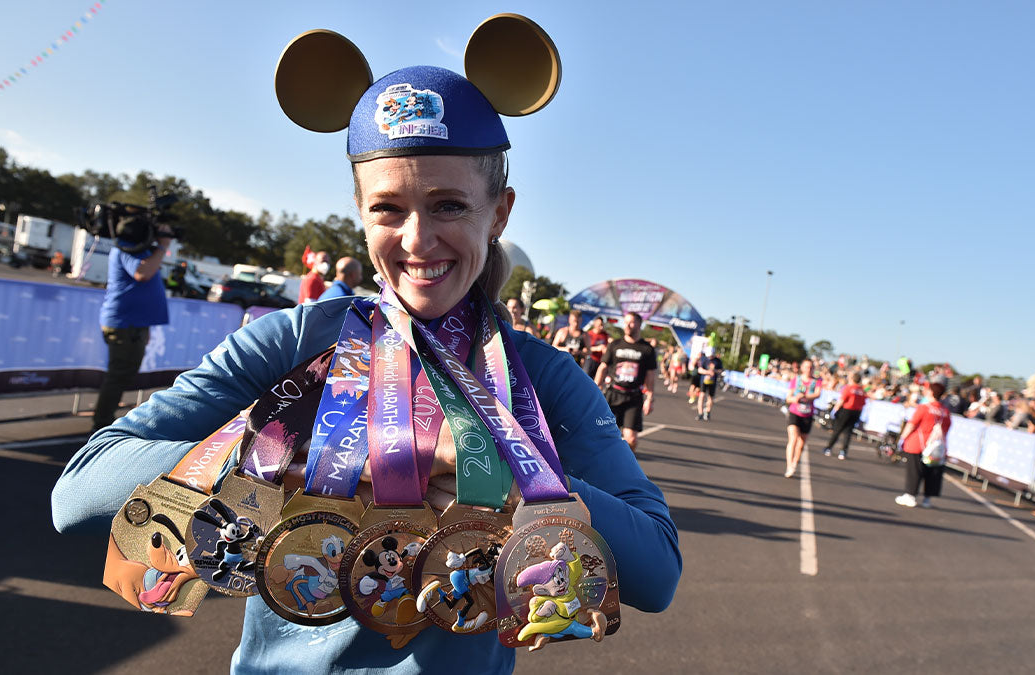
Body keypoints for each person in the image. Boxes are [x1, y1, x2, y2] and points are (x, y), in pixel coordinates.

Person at [53, 33, 679, 674]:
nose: (417, 240)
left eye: (449, 205)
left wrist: (514, 476)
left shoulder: (545, 375)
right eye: (388, 208)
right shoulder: (293, 340)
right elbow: (79, 488)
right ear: (359, 210)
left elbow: (658, 571)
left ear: (499, 213)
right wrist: (289, 456)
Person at [91, 224, 173, 432]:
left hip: (134, 325)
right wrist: (162, 246)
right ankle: (102, 424)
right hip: (125, 324)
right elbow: (142, 273)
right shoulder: (126, 248)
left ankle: (104, 419)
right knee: (118, 374)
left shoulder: (137, 250)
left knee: (123, 373)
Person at [593, 312, 657, 452]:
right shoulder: (615, 344)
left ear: (639, 325)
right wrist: (595, 388)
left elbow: (650, 375)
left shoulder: (647, 349)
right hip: (613, 394)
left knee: (631, 439)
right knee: (604, 436)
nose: (627, 325)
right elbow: (603, 367)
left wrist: (650, 398)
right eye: (626, 322)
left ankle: (626, 462)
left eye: (631, 322)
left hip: (633, 397)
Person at [895, 379, 952, 508]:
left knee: (914, 471)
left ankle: (910, 495)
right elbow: (946, 429)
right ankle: (927, 499)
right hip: (936, 447)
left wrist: (902, 438)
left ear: (931, 392)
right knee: (932, 472)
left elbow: (912, 424)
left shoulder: (924, 408)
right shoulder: (945, 411)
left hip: (917, 444)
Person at [783, 359, 821, 478]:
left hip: (807, 415)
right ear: (802, 368)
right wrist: (795, 398)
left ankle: (795, 462)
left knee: (801, 443)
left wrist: (805, 396)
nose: (809, 369)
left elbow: (817, 394)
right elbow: (788, 398)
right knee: (793, 438)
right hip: (794, 412)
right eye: (806, 367)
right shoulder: (796, 380)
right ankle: (789, 465)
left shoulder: (816, 381)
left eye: (811, 367)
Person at [823, 372, 866, 460]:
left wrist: (835, 410)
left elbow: (841, 400)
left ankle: (828, 448)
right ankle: (843, 452)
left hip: (846, 411)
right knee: (848, 432)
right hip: (856, 412)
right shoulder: (861, 390)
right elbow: (862, 404)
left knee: (837, 430)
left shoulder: (849, 388)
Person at [694, 347, 722, 421]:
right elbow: (700, 370)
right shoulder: (704, 359)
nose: (710, 357)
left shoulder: (717, 361)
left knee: (710, 397)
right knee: (702, 396)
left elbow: (720, 370)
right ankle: (700, 413)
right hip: (704, 381)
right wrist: (708, 372)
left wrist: (714, 371)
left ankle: (708, 412)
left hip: (713, 381)